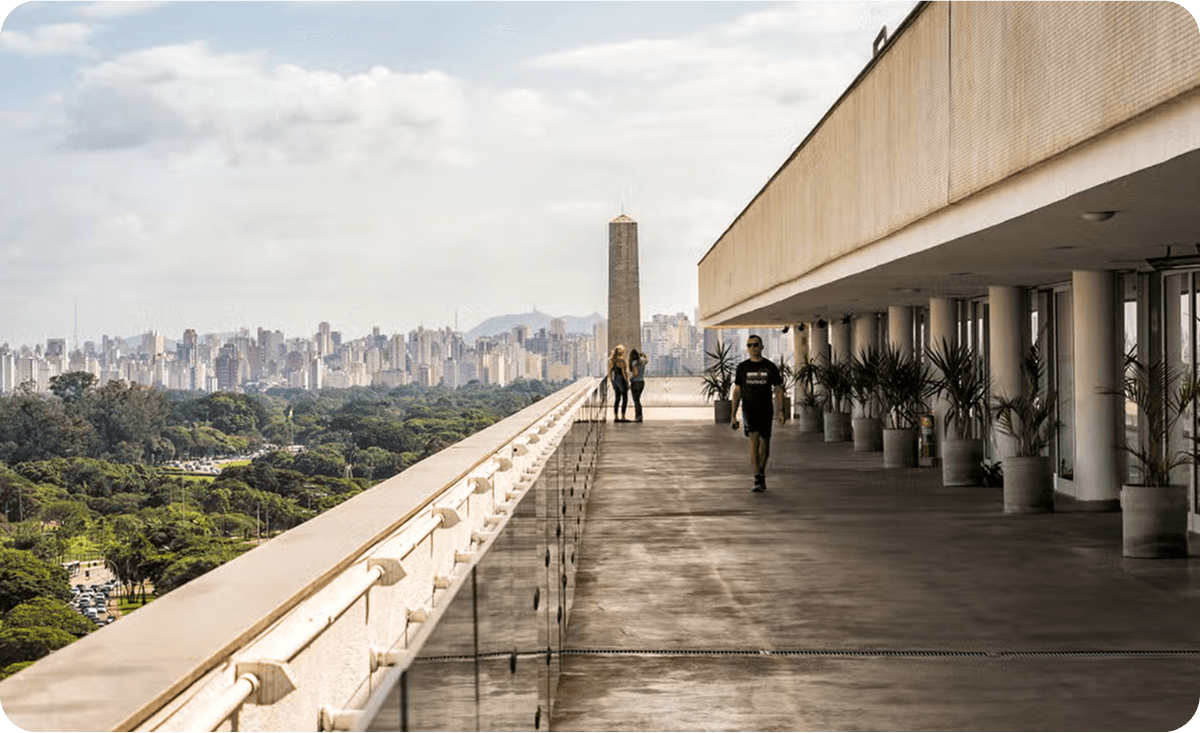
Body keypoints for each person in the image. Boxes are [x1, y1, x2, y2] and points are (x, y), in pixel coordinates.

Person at [730, 334, 785, 492]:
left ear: (761, 346)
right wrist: (733, 414)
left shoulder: (770, 366)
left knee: (765, 445)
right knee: (753, 441)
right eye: (749, 345)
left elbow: (778, 389)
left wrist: (782, 410)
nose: (752, 348)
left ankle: (761, 473)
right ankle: (757, 476)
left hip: (766, 410)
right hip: (749, 411)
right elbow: (737, 391)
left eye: (755, 345)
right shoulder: (742, 367)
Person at [608, 344, 630, 422]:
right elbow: (624, 372)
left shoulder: (611, 361)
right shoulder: (622, 360)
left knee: (617, 399)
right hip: (621, 380)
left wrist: (612, 382)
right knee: (625, 398)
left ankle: (616, 416)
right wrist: (627, 381)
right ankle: (623, 416)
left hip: (615, 380)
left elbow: (610, 373)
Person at [628, 348, 648, 422]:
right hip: (642, 382)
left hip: (636, 382)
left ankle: (638, 417)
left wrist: (631, 378)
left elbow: (635, 373)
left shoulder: (634, 362)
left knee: (636, 400)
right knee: (638, 400)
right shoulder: (642, 362)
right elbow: (646, 359)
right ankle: (639, 416)